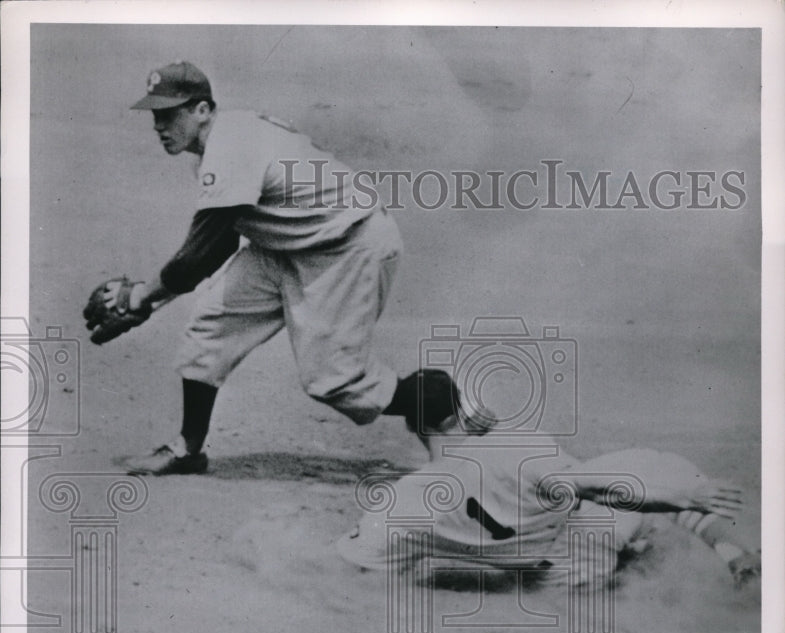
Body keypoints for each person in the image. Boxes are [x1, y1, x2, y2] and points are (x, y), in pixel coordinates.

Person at [105, 61, 430, 474]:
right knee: (210, 326)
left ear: (202, 109)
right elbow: (218, 244)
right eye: (155, 115)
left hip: (348, 247)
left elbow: (202, 252)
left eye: (169, 114)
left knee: (335, 381)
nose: (159, 126)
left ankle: (444, 403)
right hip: (287, 245)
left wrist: (138, 299)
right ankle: (187, 449)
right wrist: (147, 302)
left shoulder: (229, 148)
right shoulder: (221, 143)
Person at [336, 370, 761, 589]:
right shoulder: (517, 447)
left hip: (556, 580)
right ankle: (734, 556)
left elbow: (365, 574)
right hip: (589, 535)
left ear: (412, 426)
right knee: (651, 463)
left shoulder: (398, 503)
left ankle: (633, 570)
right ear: (465, 409)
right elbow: (599, 486)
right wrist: (686, 496)